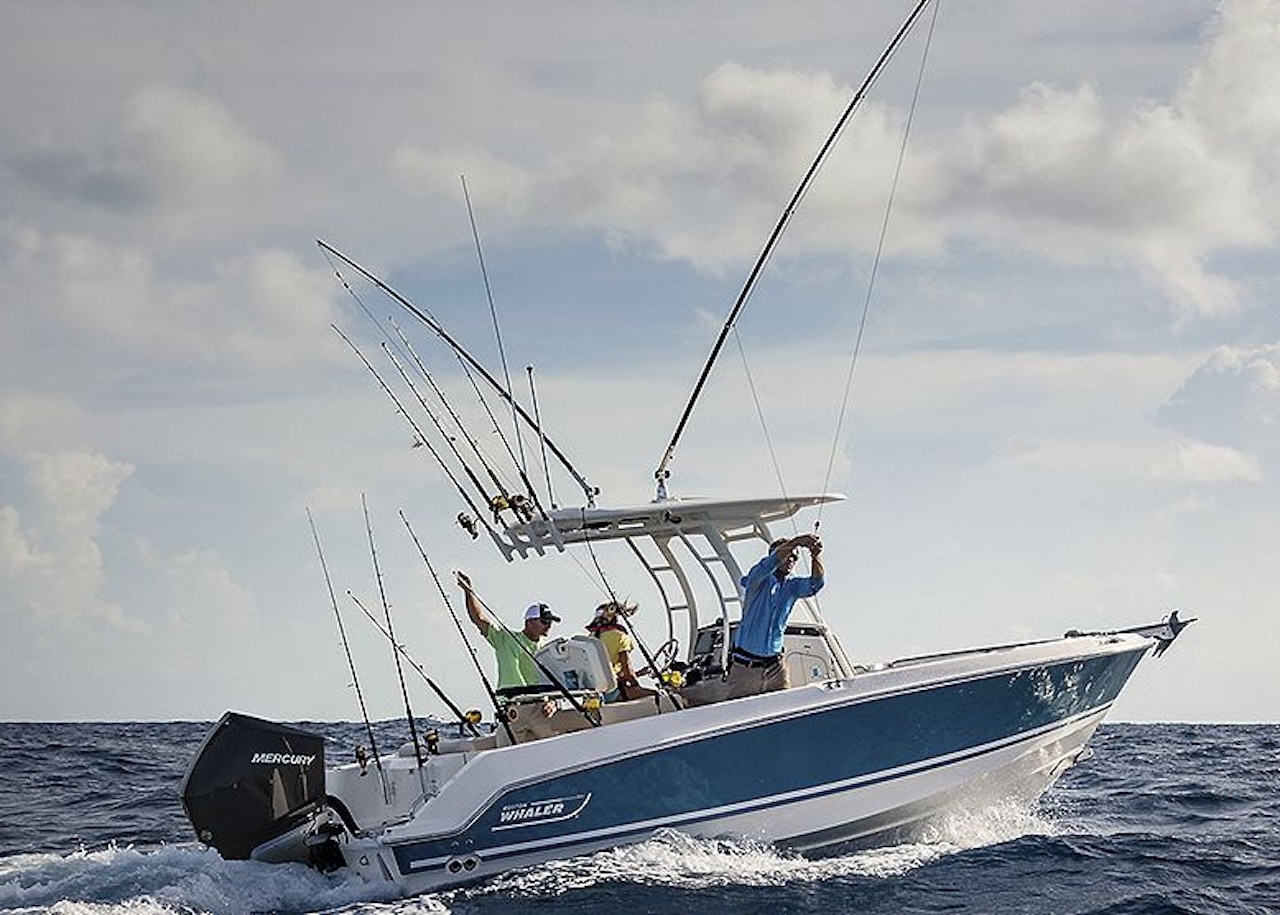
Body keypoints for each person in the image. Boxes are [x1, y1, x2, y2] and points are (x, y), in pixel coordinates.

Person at [682, 534, 824, 707]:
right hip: (745, 668)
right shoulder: (758, 579)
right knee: (739, 712)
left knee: (784, 710)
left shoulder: (792, 586)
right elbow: (767, 565)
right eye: (787, 554)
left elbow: (815, 584)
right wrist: (796, 542)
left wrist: (815, 555)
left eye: (795, 556)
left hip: (776, 666)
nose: (791, 559)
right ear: (774, 556)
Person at [456, 571, 560, 697]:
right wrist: (469, 591)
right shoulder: (505, 639)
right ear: (530, 622)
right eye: (544, 621)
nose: (548, 625)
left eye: (550, 622)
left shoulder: (547, 650)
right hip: (510, 701)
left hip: (536, 702)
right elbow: (478, 618)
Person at [585, 600, 655, 702]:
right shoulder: (620, 636)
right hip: (615, 692)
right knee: (659, 695)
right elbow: (627, 672)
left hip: (596, 695)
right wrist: (636, 686)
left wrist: (639, 673)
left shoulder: (590, 639)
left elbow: (608, 671)